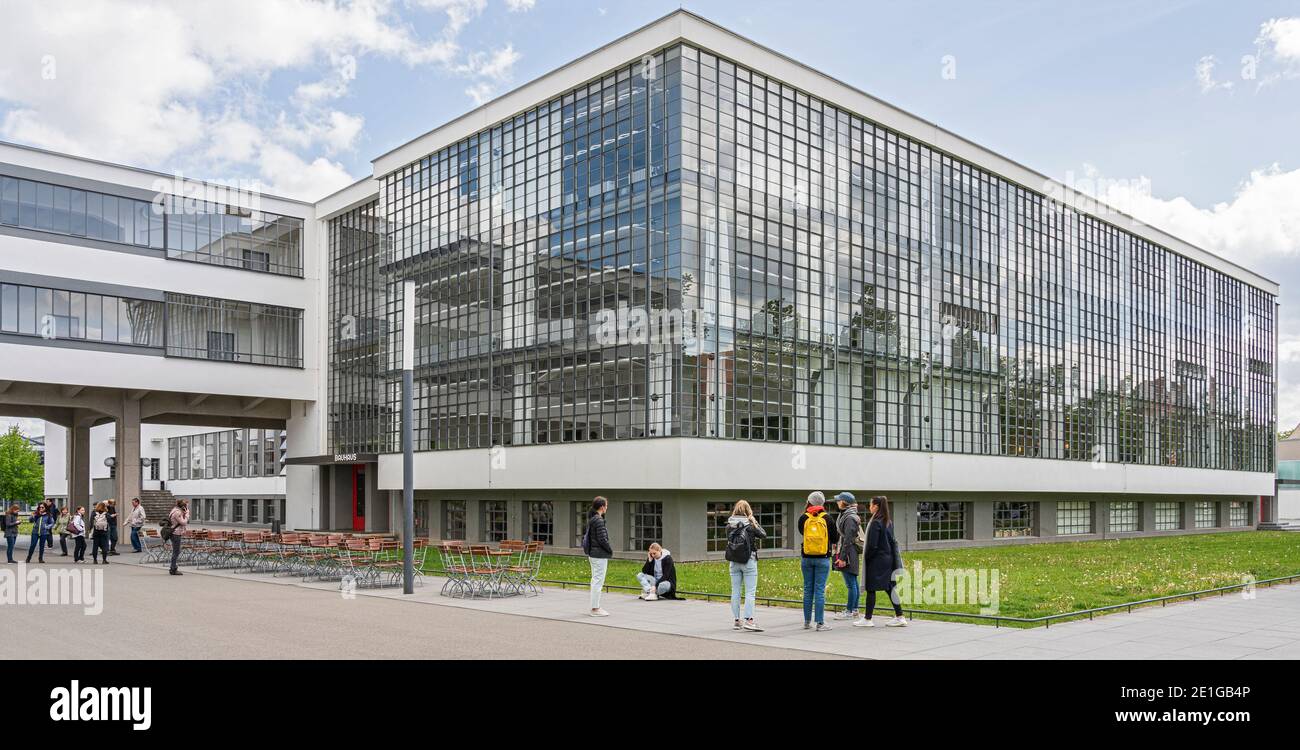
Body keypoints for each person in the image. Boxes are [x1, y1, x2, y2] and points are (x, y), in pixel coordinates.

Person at [855, 495, 907, 628]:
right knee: (890, 587)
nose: (869, 507)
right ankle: (900, 616)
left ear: (876, 506)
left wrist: (867, 558)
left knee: (870, 588)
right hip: (888, 559)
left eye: (871, 504)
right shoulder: (888, 521)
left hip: (876, 561)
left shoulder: (875, 523)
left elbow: (872, 545)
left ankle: (867, 619)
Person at [798, 491, 840, 631]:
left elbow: (802, 533)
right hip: (822, 558)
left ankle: (806, 621)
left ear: (809, 502)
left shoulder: (804, 518)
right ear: (822, 503)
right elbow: (835, 538)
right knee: (819, 590)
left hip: (807, 558)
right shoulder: (827, 518)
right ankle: (820, 623)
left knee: (808, 589)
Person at [725, 499, 767, 632]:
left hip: (733, 561)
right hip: (749, 560)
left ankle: (737, 621)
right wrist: (753, 521)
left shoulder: (729, 525)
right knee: (750, 592)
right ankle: (749, 620)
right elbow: (763, 535)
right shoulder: (750, 525)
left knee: (735, 591)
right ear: (748, 511)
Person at [832, 492, 862, 621]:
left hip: (849, 553)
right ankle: (854, 610)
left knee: (851, 584)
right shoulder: (848, 515)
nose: (837, 502)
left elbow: (848, 539)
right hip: (850, 551)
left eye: (839, 500)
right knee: (853, 582)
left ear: (844, 502)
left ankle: (850, 610)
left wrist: (843, 558)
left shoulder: (849, 518)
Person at [582, 496, 612, 616]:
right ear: (602, 507)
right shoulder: (598, 520)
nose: (607, 508)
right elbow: (602, 539)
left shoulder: (593, 519)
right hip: (599, 555)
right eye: (606, 505)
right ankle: (595, 609)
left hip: (593, 554)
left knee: (595, 581)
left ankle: (595, 607)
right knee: (598, 582)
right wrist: (609, 549)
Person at [167, 499, 190, 575]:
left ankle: (173, 567)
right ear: (183, 506)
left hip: (174, 532)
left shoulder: (174, 510)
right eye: (186, 506)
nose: (186, 508)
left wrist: (183, 513)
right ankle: (173, 568)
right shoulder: (177, 513)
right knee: (176, 551)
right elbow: (183, 522)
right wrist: (187, 515)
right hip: (176, 533)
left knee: (176, 551)